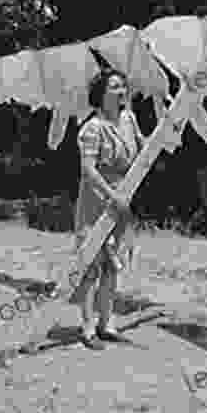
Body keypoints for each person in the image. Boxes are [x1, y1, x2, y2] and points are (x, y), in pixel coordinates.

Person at [73, 68, 146, 349]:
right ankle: (88, 329)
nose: (121, 92)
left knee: (112, 266)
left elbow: (141, 147)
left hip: (122, 196)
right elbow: (88, 170)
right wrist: (111, 196)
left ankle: (107, 323)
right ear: (101, 95)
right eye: (115, 87)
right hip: (97, 199)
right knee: (91, 265)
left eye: (123, 87)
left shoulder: (130, 119)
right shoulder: (90, 129)